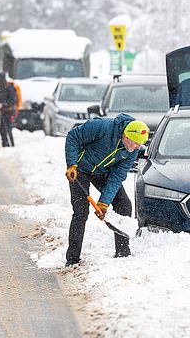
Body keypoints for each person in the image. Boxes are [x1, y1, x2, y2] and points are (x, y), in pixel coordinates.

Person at [64, 114, 149, 266]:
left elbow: (117, 177)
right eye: (136, 143)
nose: (138, 147)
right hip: (80, 170)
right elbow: (73, 137)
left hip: (103, 173)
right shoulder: (102, 127)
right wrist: (72, 164)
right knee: (81, 211)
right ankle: (72, 259)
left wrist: (104, 202)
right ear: (126, 136)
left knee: (124, 205)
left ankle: (123, 253)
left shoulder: (132, 151)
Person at [0, 72, 17, 147]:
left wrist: (4, 105)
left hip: (9, 111)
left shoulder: (10, 88)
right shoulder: (1, 88)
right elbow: (0, 99)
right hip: (3, 112)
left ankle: (11, 145)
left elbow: (12, 101)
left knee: (8, 129)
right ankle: (4, 144)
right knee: (2, 130)